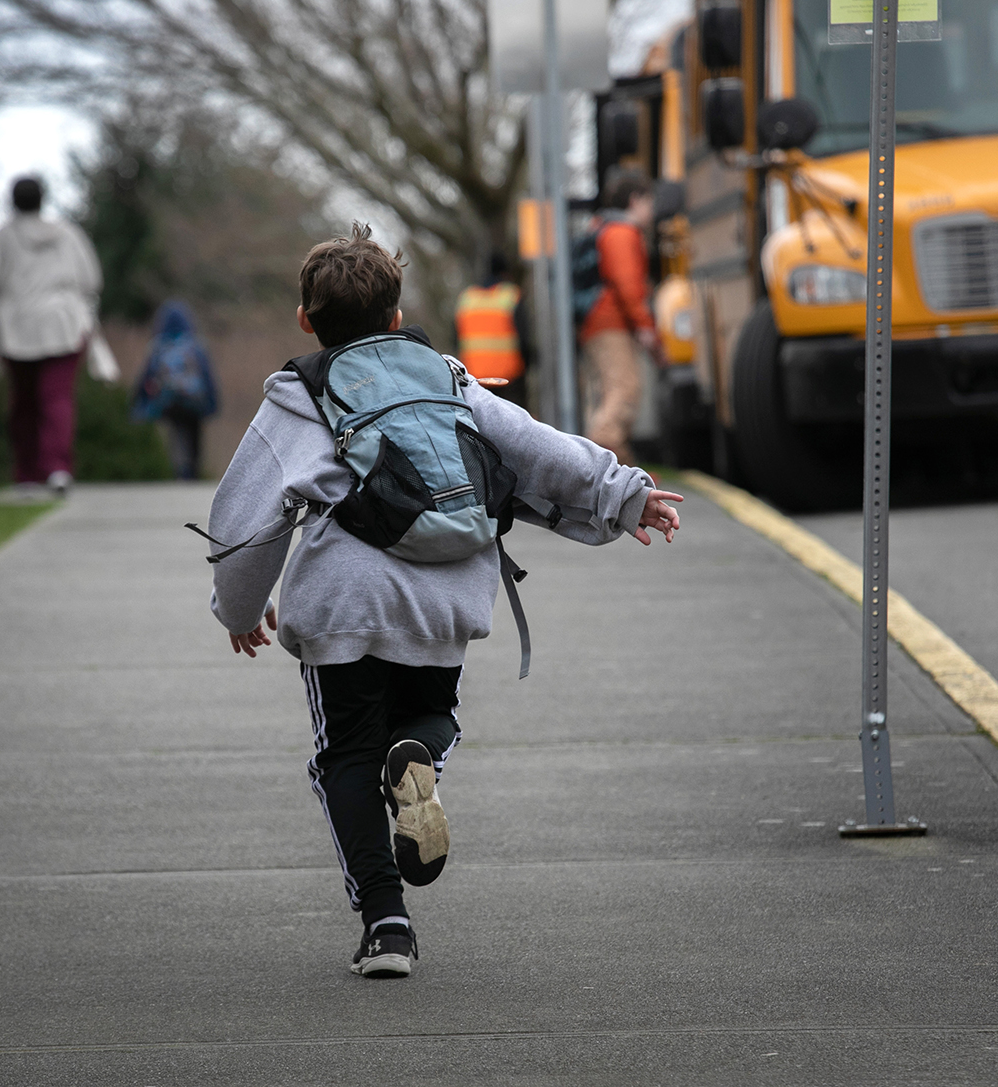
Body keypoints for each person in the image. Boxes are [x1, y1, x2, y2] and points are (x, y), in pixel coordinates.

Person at [203, 224, 683, 978]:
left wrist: (239, 609)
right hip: (445, 592)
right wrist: (627, 494)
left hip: (345, 601)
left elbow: (245, 515)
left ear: (306, 321)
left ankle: (388, 928)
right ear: (397, 316)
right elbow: (534, 445)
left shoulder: (296, 395)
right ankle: (420, 753)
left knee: (345, 759)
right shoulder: (446, 374)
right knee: (428, 716)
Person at [0, 176, 103, 496]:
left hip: (17, 329)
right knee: (57, 399)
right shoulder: (68, 234)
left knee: (24, 403)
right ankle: (58, 468)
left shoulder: (3, 237)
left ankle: (27, 472)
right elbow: (91, 279)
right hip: (63, 325)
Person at [577, 172, 660, 465]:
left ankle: (608, 467)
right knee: (624, 390)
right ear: (635, 200)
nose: (652, 211)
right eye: (649, 203)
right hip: (611, 324)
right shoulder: (622, 233)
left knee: (605, 394)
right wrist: (645, 328)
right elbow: (628, 286)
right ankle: (606, 457)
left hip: (595, 323)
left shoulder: (601, 228)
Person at [133, 300, 219, 480]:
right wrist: (213, 404)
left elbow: (146, 378)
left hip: (168, 400)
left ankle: (179, 470)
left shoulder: (158, 346)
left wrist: (138, 404)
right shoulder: (196, 345)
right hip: (194, 401)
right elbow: (207, 377)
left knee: (176, 433)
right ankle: (192, 471)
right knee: (194, 434)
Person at [454, 252, 531, 409]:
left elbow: (456, 339)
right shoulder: (510, 295)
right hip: (509, 377)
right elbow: (523, 338)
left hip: (475, 378)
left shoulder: (467, 299)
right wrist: (527, 364)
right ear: (505, 273)